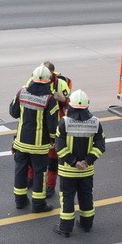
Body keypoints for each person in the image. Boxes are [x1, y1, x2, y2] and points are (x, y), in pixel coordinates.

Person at [53, 89, 105, 237]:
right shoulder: (96, 122)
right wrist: (86, 162)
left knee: (67, 198)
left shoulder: (64, 122)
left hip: (67, 171)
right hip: (86, 171)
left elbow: (59, 147)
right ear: (87, 105)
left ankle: (65, 228)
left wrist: (74, 162)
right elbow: (100, 146)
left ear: (71, 105)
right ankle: (87, 224)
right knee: (86, 196)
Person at [9, 64, 59, 212]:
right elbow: (52, 126)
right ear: (48, 80)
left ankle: (20, 201)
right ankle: (38, 204)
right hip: (39, 146)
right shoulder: (49, 100)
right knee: (39, 173)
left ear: (32, 78)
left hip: (21, 142)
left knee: (20, 170)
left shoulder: (21, 92)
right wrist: (53, 141)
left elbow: (13, 112)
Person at [26, 61, 72, 197]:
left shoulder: (61, 84)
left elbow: (69, 104)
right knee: (33, 156)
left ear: (51, 74)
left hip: (54, 126)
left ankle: (50, 185)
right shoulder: (33, 79)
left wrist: (62, 98)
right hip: (38, 125)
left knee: (52, 160)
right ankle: (30, 178)